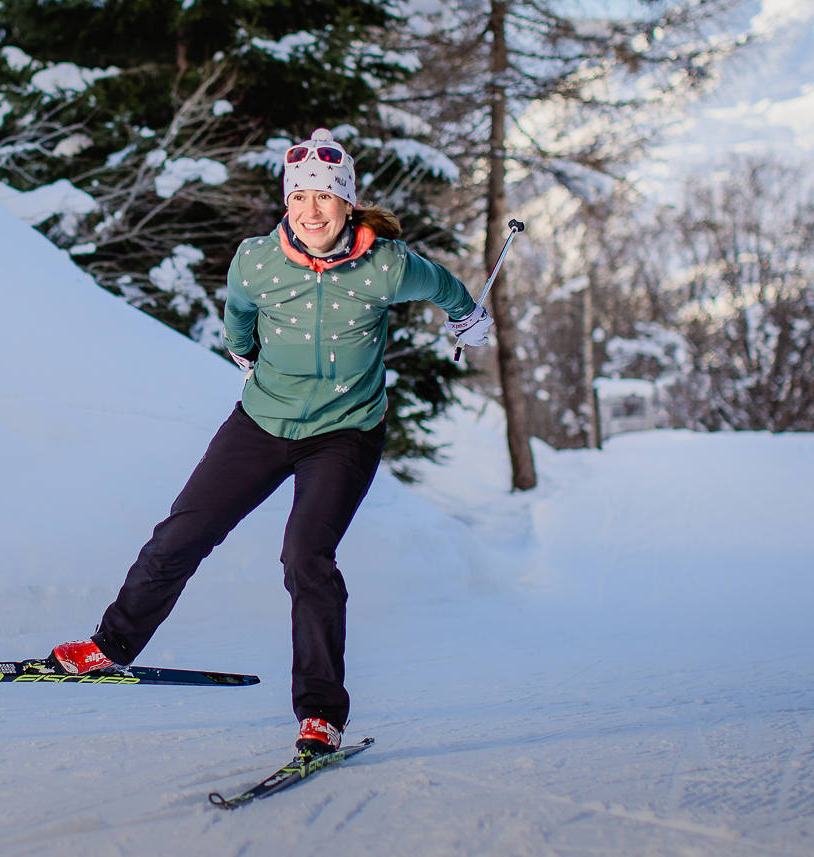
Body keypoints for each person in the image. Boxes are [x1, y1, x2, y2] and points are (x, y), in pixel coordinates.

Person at [52, 129, 494, 756]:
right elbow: (238, 318)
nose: (311, 211)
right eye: (300, 198)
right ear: (287, 203)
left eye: (325, 198)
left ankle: (320, 715)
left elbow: (448, 288)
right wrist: (245, 354)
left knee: (305, 558)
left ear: (347, 204)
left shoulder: (387, 267)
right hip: (261, 421)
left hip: (344, 433)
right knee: (181, 533)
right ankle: (109, 646)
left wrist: (468, 320)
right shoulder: (256, 260)